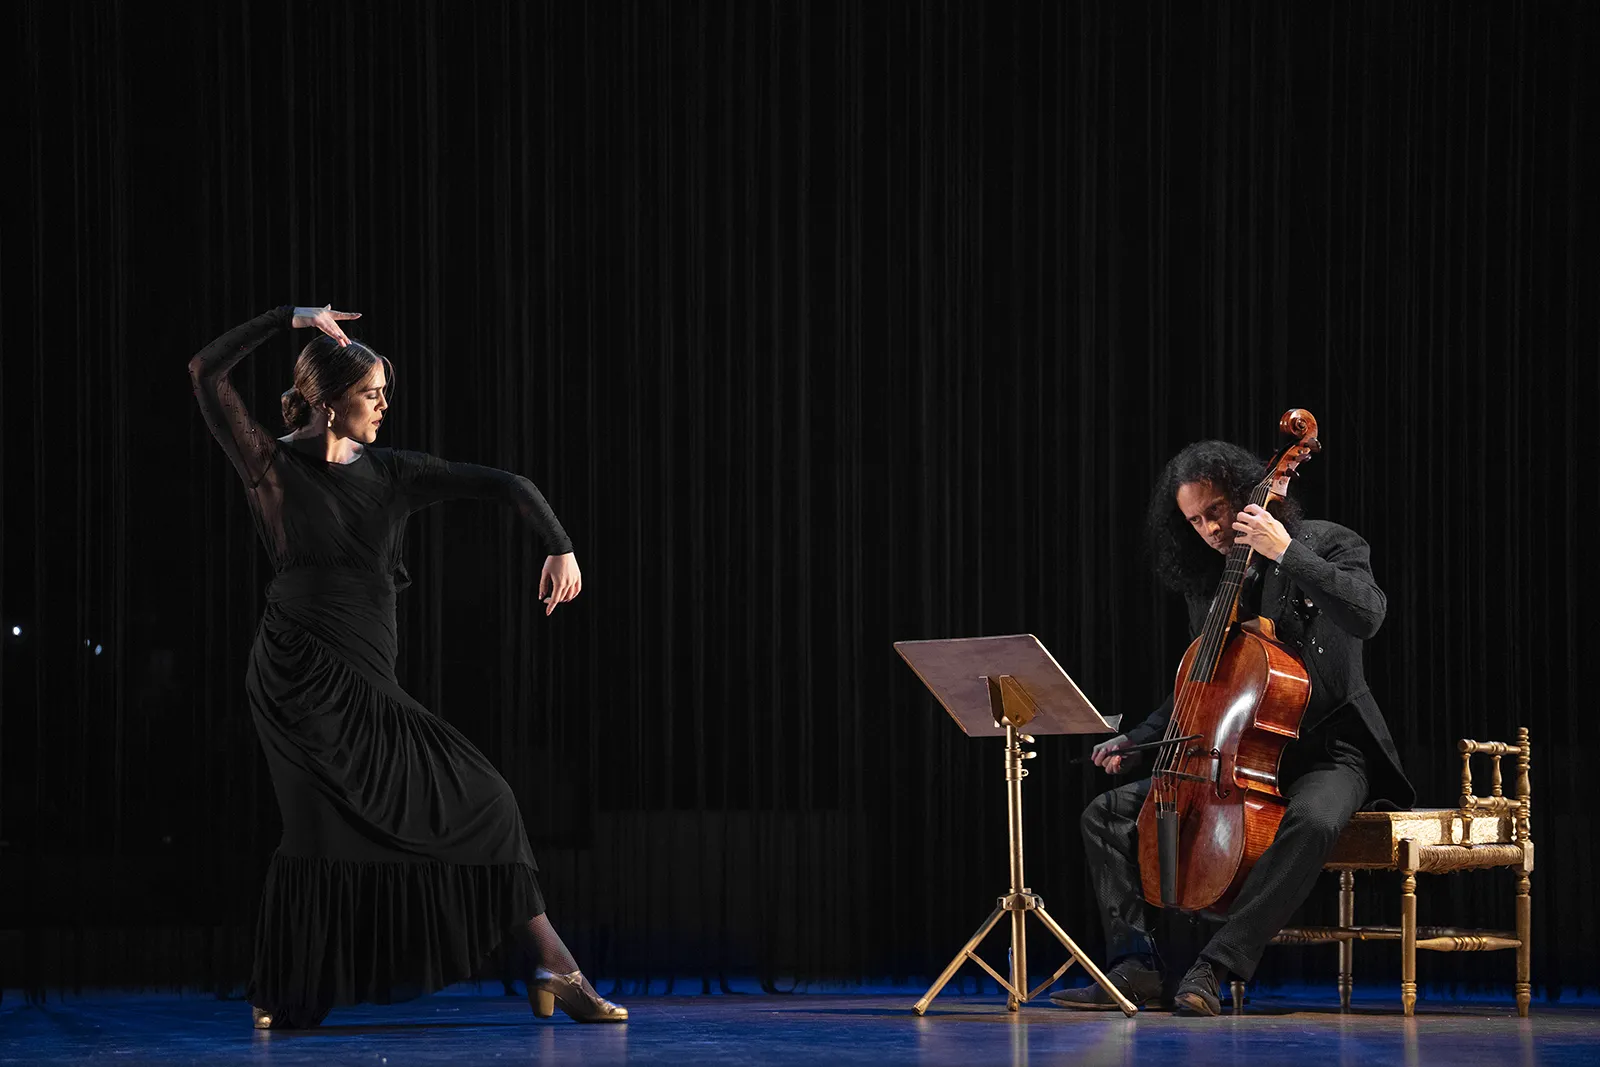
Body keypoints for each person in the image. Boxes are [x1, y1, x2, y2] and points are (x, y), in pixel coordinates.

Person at [189, 304, 625, 1029]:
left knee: (487, 801)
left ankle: (552, 964)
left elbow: (508, 483)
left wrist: (560, 544)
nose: (385, 405)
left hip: (368, 675)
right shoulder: (270, 465)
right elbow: (206, 372)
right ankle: (281, 984)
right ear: (329, 401)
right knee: (315, 832)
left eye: (385, 392)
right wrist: (284, 318)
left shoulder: (393, 473)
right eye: (372, 393)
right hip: (294, 675)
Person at [1051, 440, 1413, 1016]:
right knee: (1107, 814)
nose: (1209, 528)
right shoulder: (1213, 584)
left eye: (1216, 510)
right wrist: (1138, 739)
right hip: (1235, 759)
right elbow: (1202, 689)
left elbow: (1368, 614)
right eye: (1194, 520)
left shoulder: (1326, 542)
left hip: (1329, 751)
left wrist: (1287, 550)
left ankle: (1214, 965)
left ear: (1248, 495)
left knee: (1314, 819)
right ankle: (1134, 967)